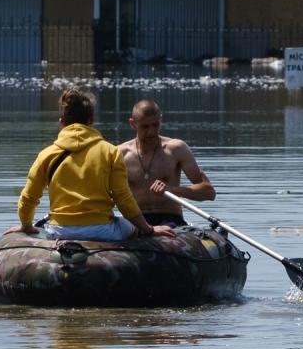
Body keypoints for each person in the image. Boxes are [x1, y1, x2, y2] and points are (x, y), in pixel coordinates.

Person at [19, 87, 175, 242]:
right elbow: (123, 199)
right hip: (103, 230)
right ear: (91, 120)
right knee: (131, 228)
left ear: (62, 122)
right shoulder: (110, 152)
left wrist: (26, 226)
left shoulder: (46, 154)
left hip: (60, 231)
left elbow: (28, 198)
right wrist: (148, 229)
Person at [119, 99, 215, 227]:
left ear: (161, 119)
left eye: (155, 125)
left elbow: (208, 192)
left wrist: (172, 190)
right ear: (133, 124)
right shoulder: (120, 153)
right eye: (145, 127)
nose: (151, 132)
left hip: (170, 220)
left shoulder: (176, 149)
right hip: (134, 221)